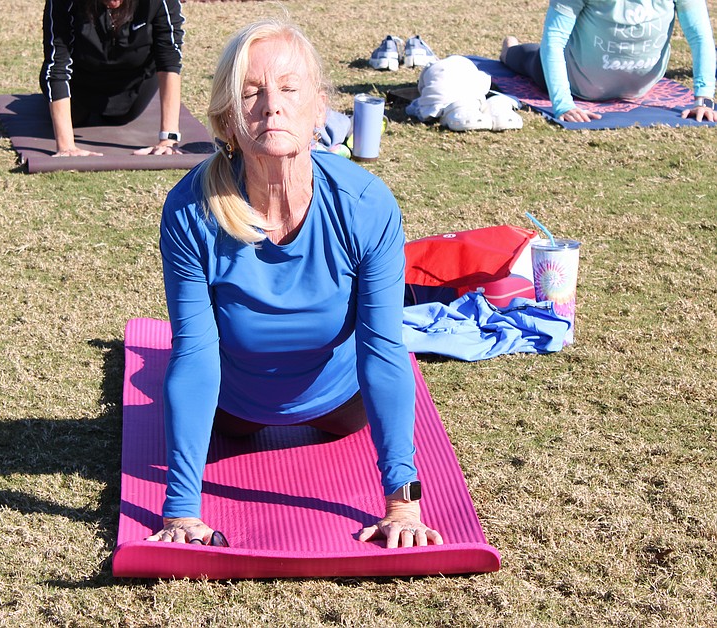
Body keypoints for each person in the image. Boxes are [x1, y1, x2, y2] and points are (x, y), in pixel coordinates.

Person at [148, 19, 443, 549]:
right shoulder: (191, 211)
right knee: (200, 394)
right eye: (251, 92)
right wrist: (180, 513)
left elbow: (384, 350)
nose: (271, 106)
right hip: (233, 411)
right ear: (227, 118)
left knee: (373, 378)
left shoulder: (365, 205)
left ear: (318, 108)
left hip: (342, 405)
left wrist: (404, 503)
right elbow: (194, 354)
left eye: (289, 89)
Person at [500, 0, 717, 122]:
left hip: (639, 88)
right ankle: (510, 50)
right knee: (531, 59)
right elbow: (554, 41)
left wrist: (704, 99)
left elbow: (700, 37)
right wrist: (564, 104)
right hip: (576, 81)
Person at [40, 0, 184, 157]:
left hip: (133, 82)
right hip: (79, 81)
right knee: (76, 117)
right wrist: (66, 146)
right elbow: (57, 64)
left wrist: (168, 140)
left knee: (120, 117)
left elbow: (169, 60)